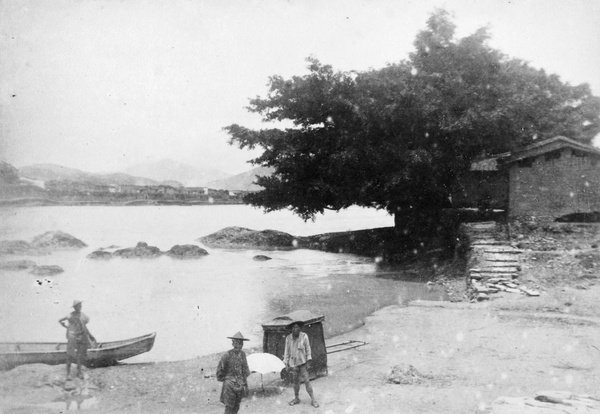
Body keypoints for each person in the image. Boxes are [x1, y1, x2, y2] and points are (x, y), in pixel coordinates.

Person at [283, 321, 319, 408]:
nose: (295, 329)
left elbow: (308, 349)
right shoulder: (288, 338)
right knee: (295, 383)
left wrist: (308, 361)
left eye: (297, 327)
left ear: (300, 328)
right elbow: (286, 352)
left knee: (307, 381)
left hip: (302, 363)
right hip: (293, 365)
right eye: (294, 328)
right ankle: (296, 398)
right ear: (291, 329)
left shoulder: (304, 336)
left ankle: (313, 399)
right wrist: (287, 364)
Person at [58, 300, 95, 380]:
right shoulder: (70, 315)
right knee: (70, 355)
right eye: (78, 306)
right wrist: (66, 327)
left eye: (80, 306)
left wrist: (90, 335)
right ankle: (68, 374)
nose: (80, 307)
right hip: (72, 336)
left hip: (81, 336)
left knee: (80, 355)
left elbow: (84, 327)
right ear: (75, 307)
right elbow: (60, 320)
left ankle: (79, 372)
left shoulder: (83, 315)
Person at [216, 332, 251, 414]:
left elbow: (245, 371)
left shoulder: (243, 355)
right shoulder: (226, 355)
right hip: (229, 386)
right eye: (237, 343)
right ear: (233, 343)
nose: (240, 345)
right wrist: (227, 379)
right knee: (229, 408)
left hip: (240, 385)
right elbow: (219, 372)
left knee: (236, 407)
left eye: (241, 343)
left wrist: (245, 385)